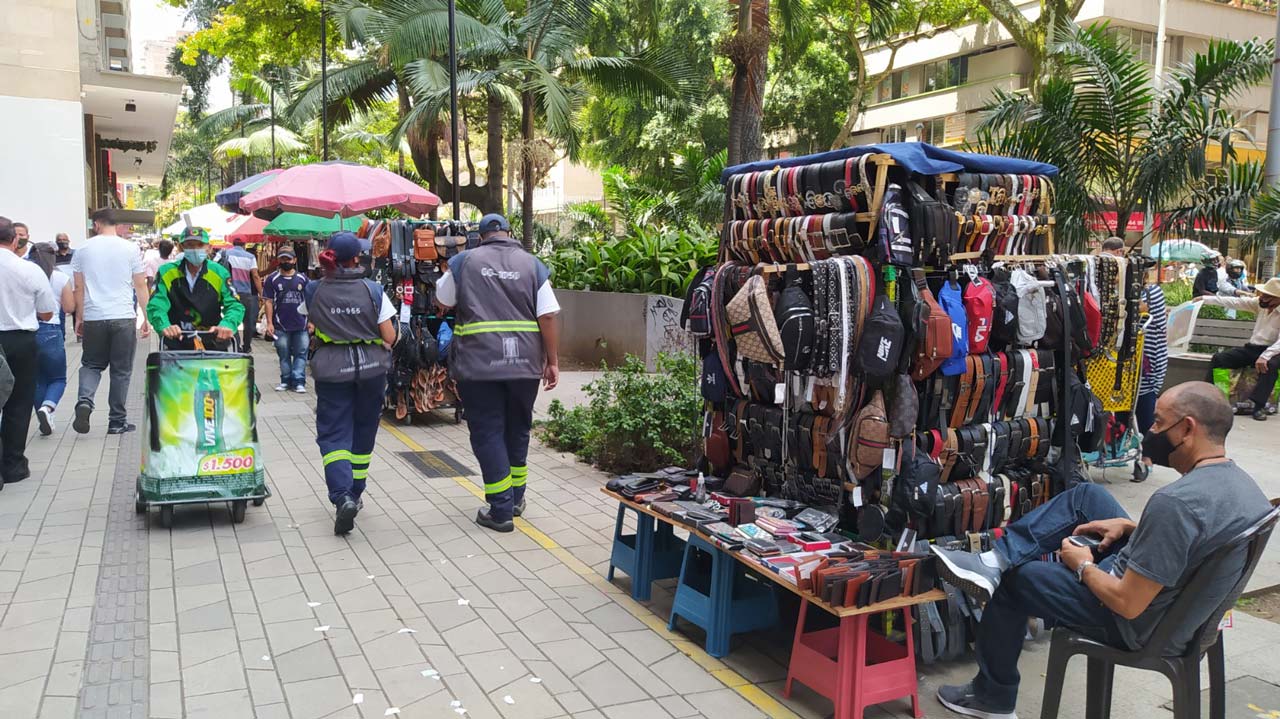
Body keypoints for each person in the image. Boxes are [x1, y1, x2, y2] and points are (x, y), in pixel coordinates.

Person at [930, 382, 1270, 719]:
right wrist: (1133, 529)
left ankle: (993, 698)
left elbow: (1128, 604)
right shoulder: (1245, 489)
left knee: (1017, 579)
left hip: (1138, 623)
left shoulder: (1176, 504)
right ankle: (995, 558)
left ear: (1187, 428)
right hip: (1175, 604)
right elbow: (1199, 538)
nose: (1149, 431)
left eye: (1158, 422)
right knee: (1086, 498)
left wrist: (1081, 566)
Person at [435, 213, 561, 533]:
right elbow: (547, 316)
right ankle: (515, 499)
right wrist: (552, 361)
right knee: (518, 429)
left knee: (488, 432)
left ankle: (501, 509)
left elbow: (443, 298)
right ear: (509, 233)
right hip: (525, 365)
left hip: (479, 365)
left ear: (479, 236)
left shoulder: (464, 262)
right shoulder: (532, 265)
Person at [303, 232, 397, 536]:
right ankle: (355, 492)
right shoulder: (373, 289)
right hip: (371, 370)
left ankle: (342, 496)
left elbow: (310, 323)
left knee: (333, 435)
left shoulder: (313, 289)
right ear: (357, 258)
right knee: (364, 431)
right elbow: (389, 336)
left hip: (332, 370)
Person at [71, 208, 150, 435]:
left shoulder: (82, 249)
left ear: (97, 224)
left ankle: (85, 401)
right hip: (123, 316)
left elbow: (78, 288)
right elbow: (140, 284)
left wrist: (79, 317)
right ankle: (117, 422)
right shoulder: (130, 248)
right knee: (121, 371)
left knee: (91, 365)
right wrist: (146, 317)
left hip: (94, 317)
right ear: (116, 224)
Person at [0, 217, 57, 485]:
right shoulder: (29, 269)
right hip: (20, 340)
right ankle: (13, 465)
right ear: (15, 240)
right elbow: (47, 312)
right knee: (19, 403)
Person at [146, 227, 244, 351]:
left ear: (209, 247)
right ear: (181, 247)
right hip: (176, 343)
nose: (195, 249)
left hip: (213, 343)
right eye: (190, 245)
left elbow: (235, 304)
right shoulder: (166, 272)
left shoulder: (219, 272)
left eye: (200, 245)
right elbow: (156, 304)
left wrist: (227, 324)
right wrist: (164, 325)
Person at [1199, 278, 1280, 421]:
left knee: (1270, 365)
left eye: (1267, 296)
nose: (1262, 298)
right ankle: (1207, 395)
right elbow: (1235, 302)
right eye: (1263, 295)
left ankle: (1258, 406)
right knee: (1220, 358)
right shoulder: (1259, 304)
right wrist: (1205, 299)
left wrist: (1266, 356)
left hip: (1274, 350)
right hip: (1253, 348)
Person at [28, 244, 75, 436]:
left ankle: (44, 415)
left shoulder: (26, 275)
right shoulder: (60, 277)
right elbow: (69, 307)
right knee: (58, 378)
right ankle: (47, 408)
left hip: (28, 330)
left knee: (38, 379)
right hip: (51, 330)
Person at [262, 246, 310, 393]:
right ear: (278, 261)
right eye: (282, 259)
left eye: (288, 259)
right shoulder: (272, 279)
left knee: (301, 353)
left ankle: (299, 381)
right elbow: (268, 302)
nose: (285, 262)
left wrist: (312, 322)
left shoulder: (303, 279)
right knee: (283, 354)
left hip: (301, 324)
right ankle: (285, 380)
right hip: (280, 325)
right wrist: (269, 323)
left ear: (294, 260)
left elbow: (310, 301)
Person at [224, 238, 262, 351]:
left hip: (230, 292)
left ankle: (237, 345)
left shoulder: (225, 254)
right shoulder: (250, 257)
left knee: (232, 318)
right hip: (246, 293)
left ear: (233, 244)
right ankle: (246, 346)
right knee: (248, 321)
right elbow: (255, 275)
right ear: (244, 245)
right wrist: (261, 293)